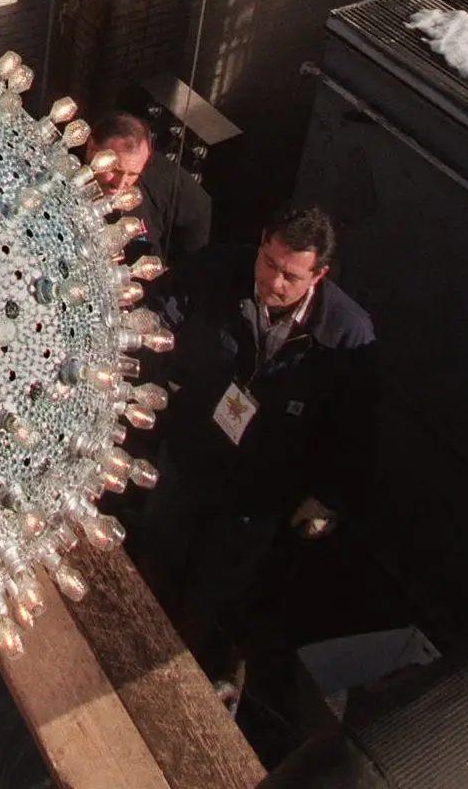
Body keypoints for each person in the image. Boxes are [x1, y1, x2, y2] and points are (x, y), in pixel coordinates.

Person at [138, 206, 377, 679]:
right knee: (157, 547)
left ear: (319, 274)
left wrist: (326, 498)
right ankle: (124, 627)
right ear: (262, 241)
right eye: (268, 263)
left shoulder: (347, 338)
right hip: (192, 454)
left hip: (259, 490)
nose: (274, 281)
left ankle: (165, 672)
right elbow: (166, 307)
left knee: (214, 587)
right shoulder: (220, 270)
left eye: (291, 275)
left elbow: (353, 429)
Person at [84, 112, 212, 266]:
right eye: (114, 170)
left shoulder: (160, 176)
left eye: (132, 174)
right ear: (91, 147)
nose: (121, 183)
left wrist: (179, 273)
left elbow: (198, 207)